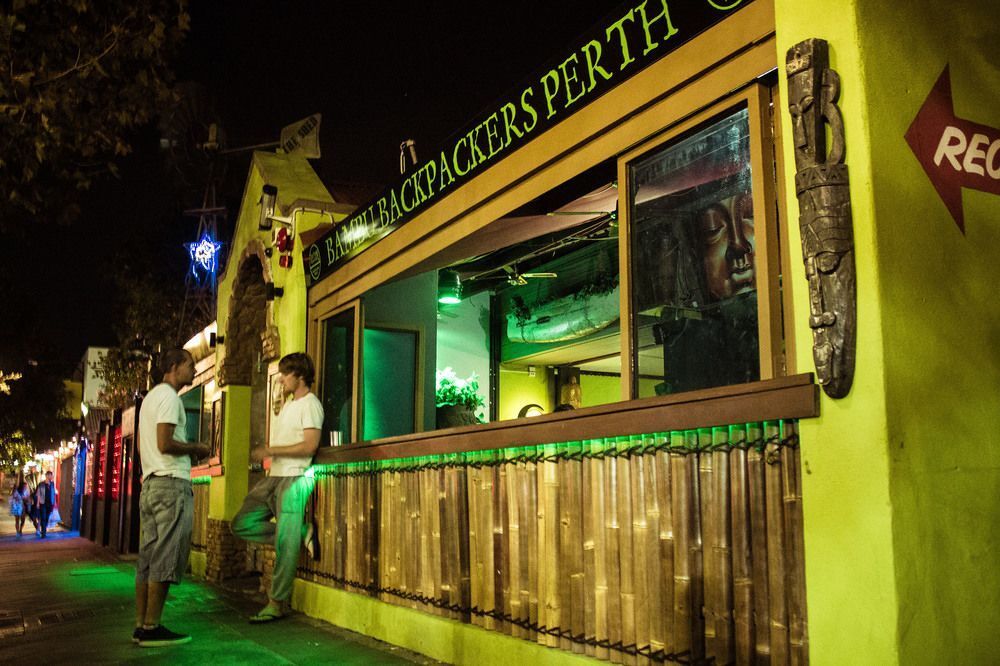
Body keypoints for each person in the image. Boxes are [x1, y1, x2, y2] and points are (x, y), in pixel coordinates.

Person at [232, 352, 323, 623]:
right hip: (274, 476)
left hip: (295, 477)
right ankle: (300, 533)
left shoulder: (311, 405)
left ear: (300, 376)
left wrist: (271, 450)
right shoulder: (289, 404)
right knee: (240, 524)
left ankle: (276, 603)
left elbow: (310, 446)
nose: (281, 379)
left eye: (286, 374)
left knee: (285, 543)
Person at [134, 349, 209, 647]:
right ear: (174, 367)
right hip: (170, 485)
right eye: (190, 365)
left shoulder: (150, 399)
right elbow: (165, 443)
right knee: (166, 555)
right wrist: (195, 448)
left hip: (151, 483)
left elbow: (146, 446)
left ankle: (141, 625)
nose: (194, 370)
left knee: (148, 558)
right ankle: (153, 627)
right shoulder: (169, 398)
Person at [35, 471, 56, 538]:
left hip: (50, 503)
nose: (51, 477)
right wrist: (38, 503)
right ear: (47, 476)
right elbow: (38, 494)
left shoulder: (52, 484)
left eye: (51, 475)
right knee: (43, 517)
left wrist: (54, 502)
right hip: (43, 503)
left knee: (46, 518)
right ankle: (43, 533)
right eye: (50, 475)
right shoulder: (41, 484)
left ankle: (44, 530)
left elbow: (53, 493)